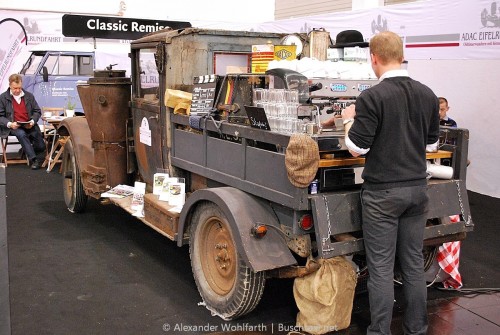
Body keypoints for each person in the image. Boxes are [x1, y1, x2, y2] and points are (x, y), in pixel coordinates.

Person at [340, 31, 440, 335]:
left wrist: (347, 119)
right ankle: (416, 329)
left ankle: (380, 331)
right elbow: (433, 145)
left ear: (374, 58)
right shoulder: (428, 94)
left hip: (383, 194)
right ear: (401, 55)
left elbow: (358, 148)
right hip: (417, 191)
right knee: (412, 264)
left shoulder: (371, 97)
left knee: (381, 268)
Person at [0, 74, 46, 169]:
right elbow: (0, 116)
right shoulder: (3, 98)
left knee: (42, 146)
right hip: (13, 126)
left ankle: (26, 150)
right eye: (15, 88)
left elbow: (37, 111)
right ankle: (34, 160)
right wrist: (10, 124)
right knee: (21, 134)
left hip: (29, 125)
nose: (17, 90)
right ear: (10, 86)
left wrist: (32, 121)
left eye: (19, 88)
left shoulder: (29, 96)